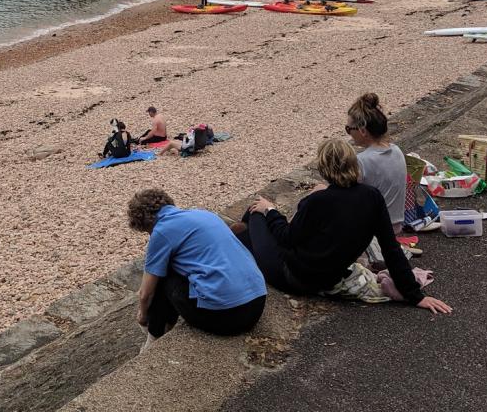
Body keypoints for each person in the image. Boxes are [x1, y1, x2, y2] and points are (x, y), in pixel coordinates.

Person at [232, 138, 451, 314]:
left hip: (293, 276)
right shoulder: (372, 197)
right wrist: (416, 296)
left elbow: (286, 236)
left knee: (256, 213)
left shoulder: (316, 202)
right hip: (330, 277)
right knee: (253, 238)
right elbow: (390, 248)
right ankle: (239, 242)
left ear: (324, 170)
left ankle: (231, 242)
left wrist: (270, 210)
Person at [129, 189, 267, 351]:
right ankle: (161, 328)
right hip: (257, 303)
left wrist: (143, 316)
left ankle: (153, 338)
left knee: (164, 276)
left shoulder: (161, 231)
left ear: (143, 224)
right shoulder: (204, 214)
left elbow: (146, 293)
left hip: (229, 317)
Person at [347, 94, 406, 235]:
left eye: (349, 129)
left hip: (373, 231)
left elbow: (345, 198)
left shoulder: (361, 161)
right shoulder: (396, 151)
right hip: (395, 226)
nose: (349, 134)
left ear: (362, 130)